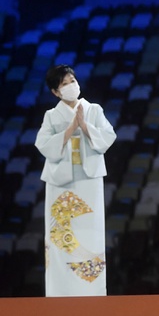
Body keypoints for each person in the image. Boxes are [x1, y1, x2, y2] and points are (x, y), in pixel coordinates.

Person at [35, 64, 117, 297]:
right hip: (60, 183)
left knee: (89, 232)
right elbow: (43, 144)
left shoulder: (93, 110)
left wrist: (85, 126)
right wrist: (71, 128)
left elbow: (108, 136)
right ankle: (60, 292)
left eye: (72, 81)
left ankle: (91, 292)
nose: (71, 86)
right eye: (64, 84)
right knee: (61, 234)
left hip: (89, 179)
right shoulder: (51, 116)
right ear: (55, 92)